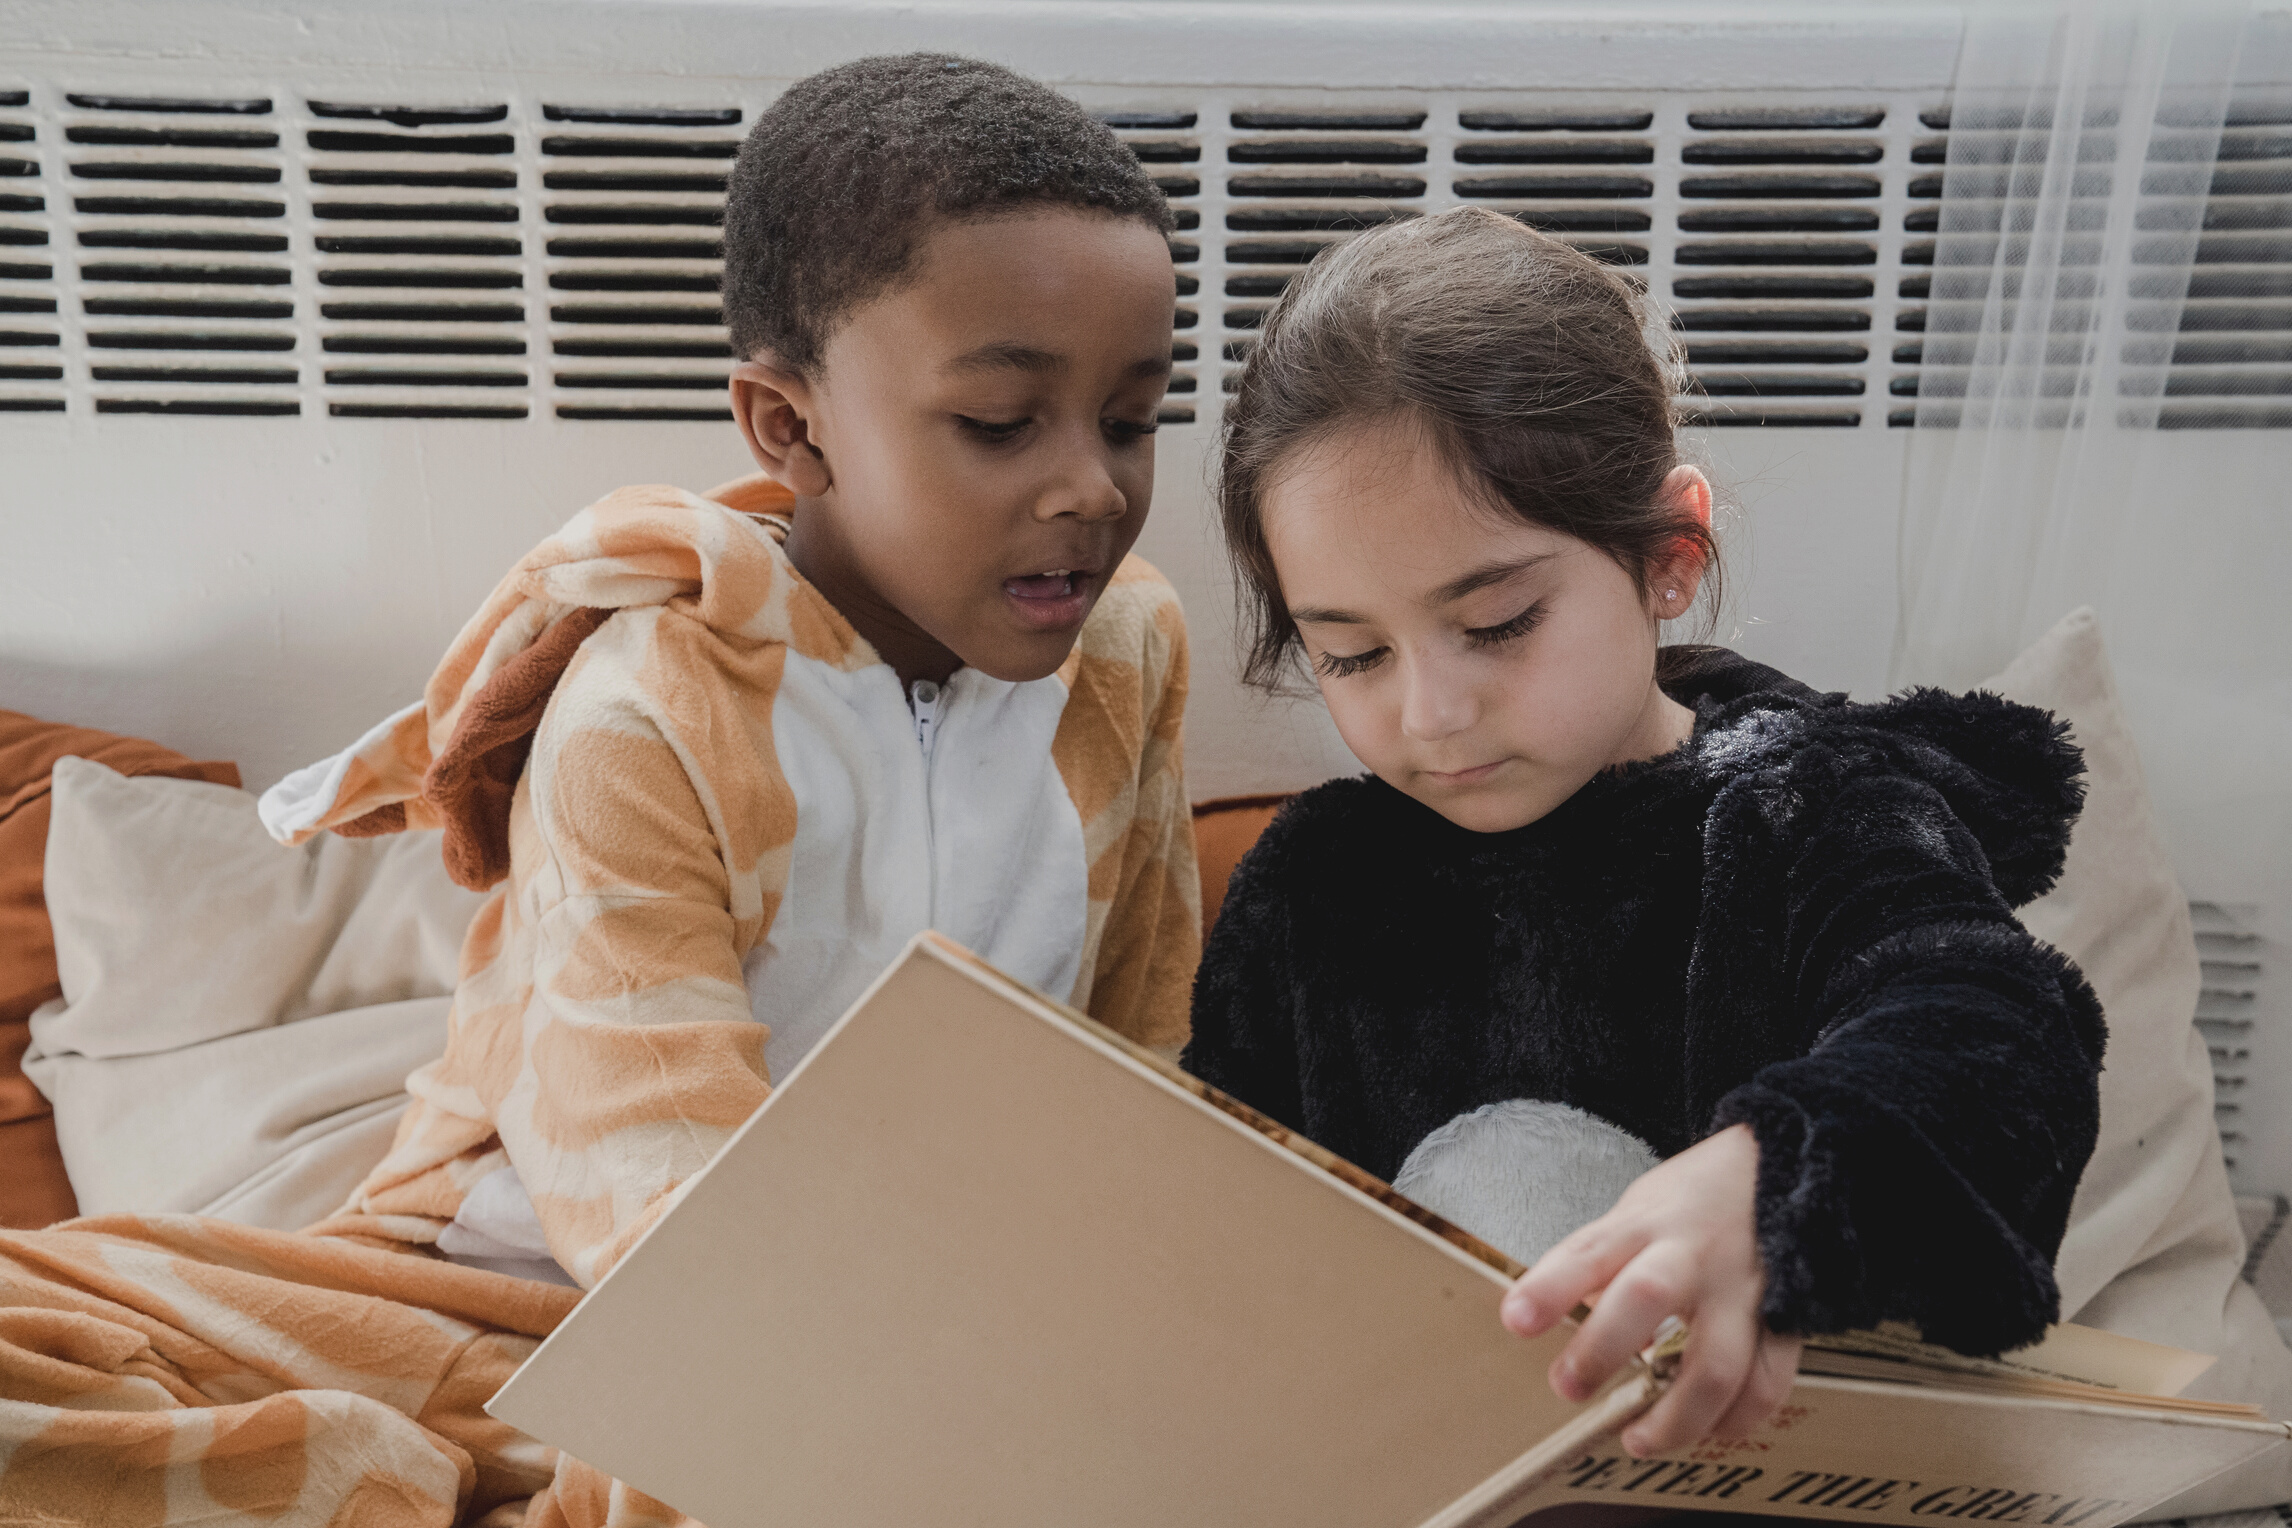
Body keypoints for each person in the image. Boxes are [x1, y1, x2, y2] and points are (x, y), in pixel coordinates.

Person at [0, 54, 1197, 1527]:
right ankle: (402, 1470)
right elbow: (656, 1207)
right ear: (788, 426)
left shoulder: (1129, 647)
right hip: (523, 1279)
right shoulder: (652, 703)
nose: (1091, 487)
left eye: (1133, 420)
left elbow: (1140, 1056)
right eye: (1004, 425)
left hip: (922, 1304)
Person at [1182, 206, 2105, 1462]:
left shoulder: (1806, 804)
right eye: (1350, 652)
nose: (1431, 712)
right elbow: (1223, 1224)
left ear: (1669, 554)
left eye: (1500, 621)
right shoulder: (1316, 886)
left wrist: (1779, 1169)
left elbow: (1992, 1029)